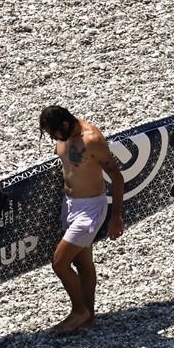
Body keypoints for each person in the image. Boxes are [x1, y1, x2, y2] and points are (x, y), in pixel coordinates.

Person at [39, 105, 125, 334]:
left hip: (90, 209)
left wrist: (115, 217)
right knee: (82, 263)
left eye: (53, 133)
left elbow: (116, 176)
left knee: (59, 263)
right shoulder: (64, 134)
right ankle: (89, 317)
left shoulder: (92, 139)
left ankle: (79, 311)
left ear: (65, 125)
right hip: (69, 206)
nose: (52, 138)